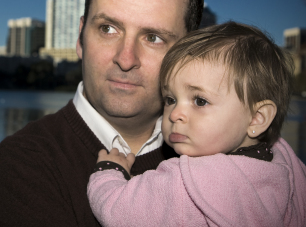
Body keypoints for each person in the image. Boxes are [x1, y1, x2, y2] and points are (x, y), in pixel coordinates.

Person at [0, 0, 203, 226]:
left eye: (153, 37)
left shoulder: (230, 155)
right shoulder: (20, 165)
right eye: (108, 29)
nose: (126, 58)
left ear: (189, 54)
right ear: (81, 38)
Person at [87, 22, 306, 227]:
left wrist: (110, 171)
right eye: (170, 100)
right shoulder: (286, 165)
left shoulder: (189, 183)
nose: (175, 114)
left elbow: (117, 210)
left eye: (200, 101)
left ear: (257, 118)